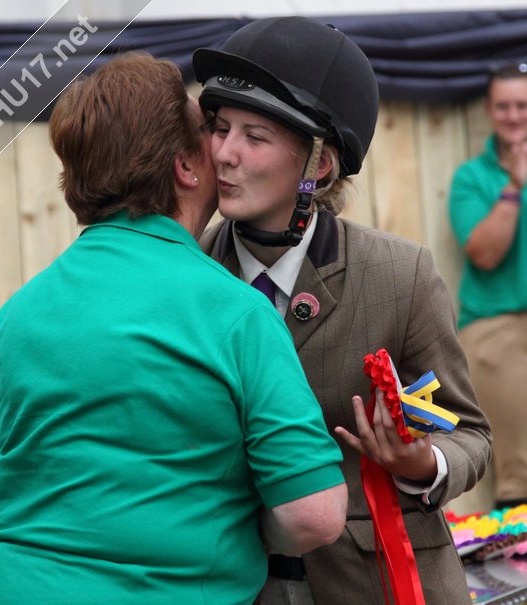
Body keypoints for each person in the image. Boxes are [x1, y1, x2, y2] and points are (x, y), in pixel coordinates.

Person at [0, 52, 348, 605]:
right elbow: (314, 515)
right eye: (208, 134)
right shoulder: (236, 315)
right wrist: (236, 529)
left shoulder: (16, 316)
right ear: (186, 169)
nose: (221, 150)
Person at [194, 16, 492, 605]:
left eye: (254, 137)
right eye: (219, 127)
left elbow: (469, 434)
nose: (223, 154)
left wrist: (418, 460)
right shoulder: (188, 274)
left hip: (371, 584)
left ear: (318, 166)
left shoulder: (400, 275)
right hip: (230, 584)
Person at [449, 61, 527, 510]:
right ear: (489, 110)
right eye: (504, 106)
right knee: (518, 473)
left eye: (522, 105)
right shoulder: (472, 178)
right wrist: (514, 187)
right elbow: (484, 253)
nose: (513, 115)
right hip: (497, 329)